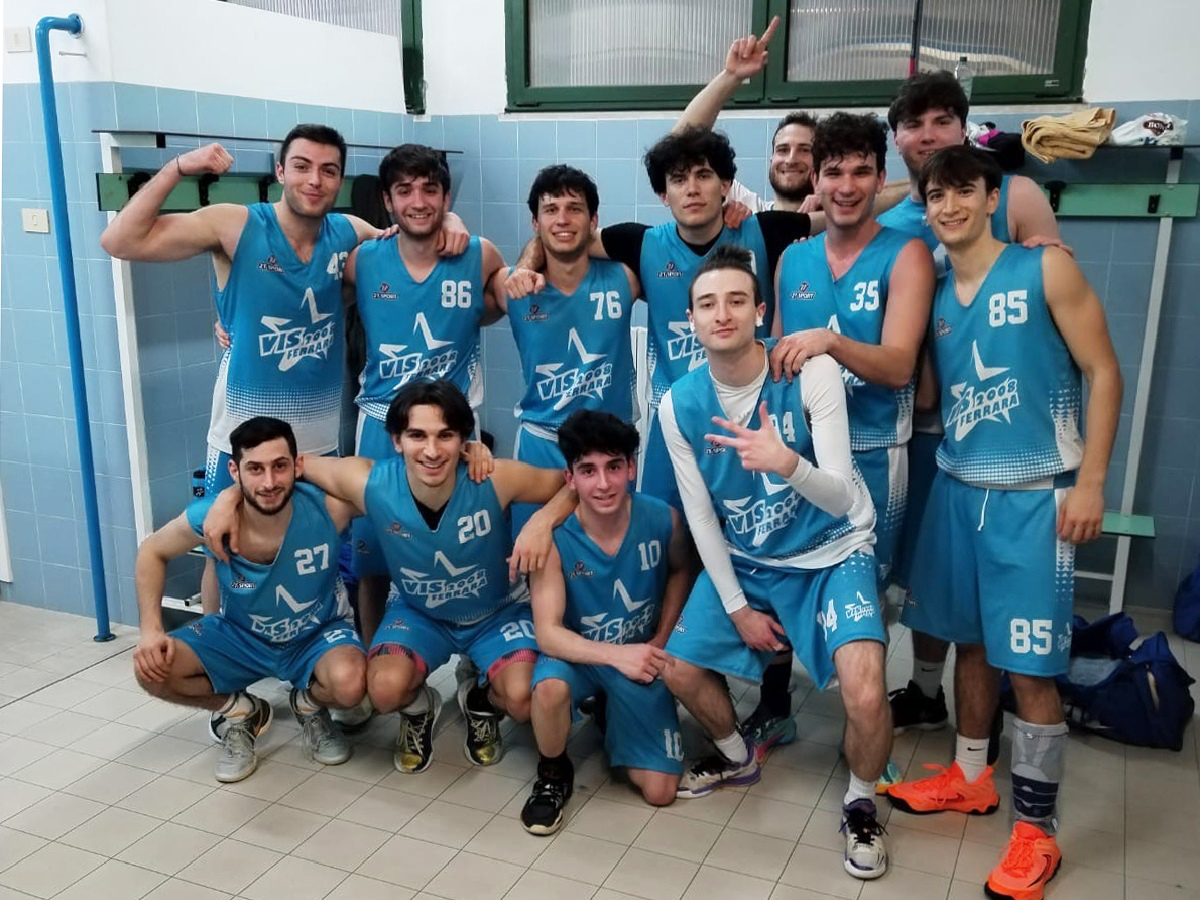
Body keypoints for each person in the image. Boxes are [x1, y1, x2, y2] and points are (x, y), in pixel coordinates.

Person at [99, 125, 467, 623]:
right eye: (302, 166)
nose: (314, 180)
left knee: (316, 551)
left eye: (328, 170)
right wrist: (178, 168)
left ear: (339, 180)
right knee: (221, 548)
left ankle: (313, 646)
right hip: (242, 436)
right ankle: (220, 655)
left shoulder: (348, 232)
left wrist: (454, 220)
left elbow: (410, 237)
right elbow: (120, 239)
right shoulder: (236, 224)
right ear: (280, 171)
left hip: (316, 443)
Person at [886, 147, 1121, 900]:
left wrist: (1091, 482)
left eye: (965, 191)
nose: (950, 206)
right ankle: (970, 776)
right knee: (971, 642)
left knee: (1031, 667)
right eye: (937, 195)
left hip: (1035, 494)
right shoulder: (935, 290)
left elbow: (1105, 371)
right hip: (959, 489)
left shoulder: (1044, 268)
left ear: (994, 198)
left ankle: (1036, 832)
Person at [659, 245, 892, 880]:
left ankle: (861, 803)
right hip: (751, 559)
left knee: (867, 692)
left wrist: (786, 461)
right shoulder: (677, 404)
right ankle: (737, 756)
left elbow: (841, 496)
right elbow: (702, 517)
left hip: (833, 551)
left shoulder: (810, 373)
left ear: (760, 311)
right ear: (691, 320)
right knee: (678, 667)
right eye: (708, 304)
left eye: (737, 300)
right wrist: (737, 608)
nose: (722, 313)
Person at [206, 379, 572, 774]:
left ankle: (481, 700)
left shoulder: (495, 477)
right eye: (417, 435)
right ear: (396, 440)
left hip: (495, 613)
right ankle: (420, 709)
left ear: (463, 439)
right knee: (382, 692)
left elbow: (573, 482)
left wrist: (541, 522)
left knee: (522, 699)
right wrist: (228, 497)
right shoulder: (370, 481)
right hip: (419, 614)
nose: (431, 451)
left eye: (445, 435)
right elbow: (284, 467)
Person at [879, 71, 1063, 747]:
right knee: (932, 580)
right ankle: (928, 693)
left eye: (942, 121)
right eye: (914, 124)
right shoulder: (894, 217)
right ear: (898, 138)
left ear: (965, 127)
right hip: (927, 428)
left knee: (991, 598)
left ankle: (993, 722)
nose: (928, 136)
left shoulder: (1014, 195)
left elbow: (1057, 313)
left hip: (1010, 439)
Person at [744, 113, 933, 766]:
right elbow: (773, 361)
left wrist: (829, 342)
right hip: (797, 455)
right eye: (833, 172)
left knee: (864, 601)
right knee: (782, 572)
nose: (847, 185)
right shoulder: (793, 258)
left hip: (873, 456)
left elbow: (899, 366)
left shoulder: (906, 254)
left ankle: (865, 736)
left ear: (880, 178)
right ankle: (775, 707)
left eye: (860, 171)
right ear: (815, 182)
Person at [507, 127, 813, 512]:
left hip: (753, 414)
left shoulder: (764, 230)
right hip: (677, 420)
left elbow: (846, 215)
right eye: (679, 179)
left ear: (726, 186)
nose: (693, 189)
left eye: (704, 176)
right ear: (663, 194)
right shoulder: (642, 244)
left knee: (751, 527)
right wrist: (525, 265)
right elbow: (564, 235)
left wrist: (833, 193)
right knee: (668, 530)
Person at [132, 417, 366, 783]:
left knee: (351, 685)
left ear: (297, 466)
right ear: (234, 471)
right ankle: (239, 711)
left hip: (316, 635)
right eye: (255, 469)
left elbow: (379, 478)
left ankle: (308, 704)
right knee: (152, 669)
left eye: (280, 466)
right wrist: (150, 629)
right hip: (240, 637)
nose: (269, 482)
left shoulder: (327, 508)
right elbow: (152, 551)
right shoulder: (210, 516)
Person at [347, 143, 507, 652]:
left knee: (469, 546)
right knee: (372, 556)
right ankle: (374, 660)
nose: (418, 202)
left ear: (446, 196)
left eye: (430, 190)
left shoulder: (480, 254)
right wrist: (226, 321)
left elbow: (504, 302)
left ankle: (474, 654)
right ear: (387, 201)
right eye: (405, 191)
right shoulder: (364, 260)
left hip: (453, 430)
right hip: (380, 424)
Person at [521, 410, 690, 834]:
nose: (603, 483)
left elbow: (681, 571)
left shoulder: (662, 518)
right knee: (549, 690)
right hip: (578, 654)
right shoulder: (552, 539)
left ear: (631, 468)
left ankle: (609, 711)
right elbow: (548, 634)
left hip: (639, 652)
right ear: (570, 478)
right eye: (588, 470)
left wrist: (661, 639)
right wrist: (617, 656)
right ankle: (552, 772)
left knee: (660, 790)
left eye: (614, 467)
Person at [502, 165, 640, 532]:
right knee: (536, 549)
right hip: (541, 441)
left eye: (574, 209)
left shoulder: (626, 277)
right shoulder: (511, 286)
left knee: (609, 550)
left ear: (594, 220)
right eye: (551, 210)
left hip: (610, 445)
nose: (562, 219)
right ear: (535, 223)